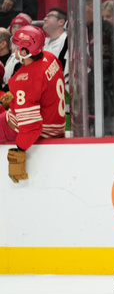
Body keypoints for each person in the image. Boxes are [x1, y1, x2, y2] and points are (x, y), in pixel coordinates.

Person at [1, 25, 66, 183]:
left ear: (24, 52)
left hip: (42, 128)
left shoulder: (25, 80)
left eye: (16, 46)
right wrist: (16, 98)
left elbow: (31, 127)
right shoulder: (49, 57)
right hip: (55, 120)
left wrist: (20, 150)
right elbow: (41, 90)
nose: (13, 48)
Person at [85, 0, 114, 136]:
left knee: (107, 122)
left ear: (91, 7)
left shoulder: (108, 29)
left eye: (83, 8)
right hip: (90, 81)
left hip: (108, 82)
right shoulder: (82, 29)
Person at [42, 7, 68, 86]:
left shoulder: (67, 41)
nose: (44, 19)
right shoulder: (43, 42)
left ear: (61, 22)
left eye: (49, 16)